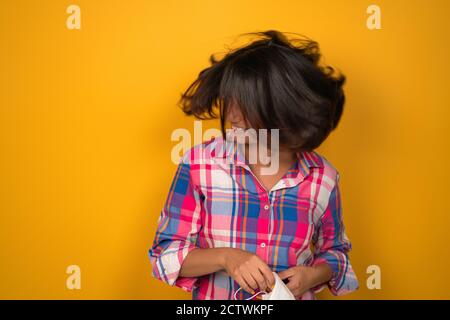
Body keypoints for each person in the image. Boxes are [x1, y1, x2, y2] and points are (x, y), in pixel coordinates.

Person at [148, 30, 359, 300]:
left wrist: (313, 275)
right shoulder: (199, 165)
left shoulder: (323, 178)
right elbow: (164, 254)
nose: (233, 116)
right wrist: (227, 258)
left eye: (246, 105)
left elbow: (336, 252)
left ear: (281, 106)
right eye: (230, 101)